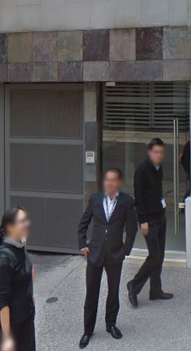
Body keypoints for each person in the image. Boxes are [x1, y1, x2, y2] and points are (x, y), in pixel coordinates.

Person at [77, 168, 137, 348]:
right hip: (95, 253)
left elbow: (132, 228)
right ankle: (88, 330)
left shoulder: (126, 201)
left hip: (115, 254)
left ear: (119, 182)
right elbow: (83, 223)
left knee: (113, 292)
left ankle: (111, 324)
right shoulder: (95, 199)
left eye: (113, 180)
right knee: (91, 293)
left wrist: (125, 250)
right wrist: (83, 245)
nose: (109, 183)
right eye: (107, 180)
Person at [127, 138, 174, 307]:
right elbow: (139, 198)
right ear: (149, 152)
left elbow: (157, 191)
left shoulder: (158, 168)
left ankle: (155, 290)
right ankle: (134, 285)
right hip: (150, 220)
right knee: (154, 257)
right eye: (155, 152)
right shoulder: (142, 170)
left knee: (159, 256)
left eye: (161, 152)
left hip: (160, 216)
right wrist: (143, 221)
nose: (158, 155)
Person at [0, 207, 35, 351]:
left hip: (25, 320)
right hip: (11, 327)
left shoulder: (19, 247)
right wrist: (7, 338)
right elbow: (2, 300)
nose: (27, 223)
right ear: (10, 227)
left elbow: (26, 276)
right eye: (22, 221)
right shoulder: (4, 258)